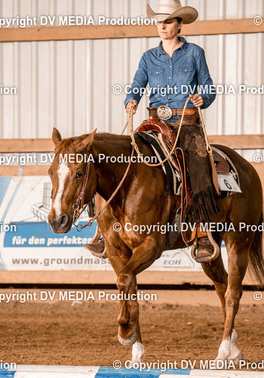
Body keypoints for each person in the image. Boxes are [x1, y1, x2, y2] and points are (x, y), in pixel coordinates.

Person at [85, 0, 219, 262]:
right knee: (122, 160)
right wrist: (131, 99)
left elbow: (208, 86)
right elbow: (137, 84)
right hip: (154, 122)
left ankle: (202, 231)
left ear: (179, 24)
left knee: (199, 162)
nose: (162, 26)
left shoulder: (195, 53)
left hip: (186, 123)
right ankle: (104, 230)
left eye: (168, 22)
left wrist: (203, 97)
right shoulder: (148, 57)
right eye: (159, 22)